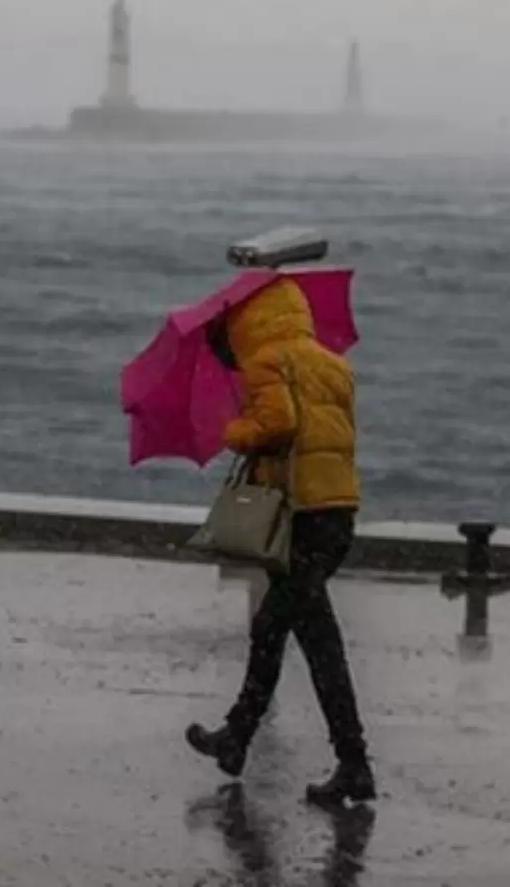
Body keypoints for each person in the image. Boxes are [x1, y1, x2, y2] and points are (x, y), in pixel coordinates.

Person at [187, 276, 375, 804]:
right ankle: (240, 738)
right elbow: (329, 434)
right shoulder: (332, 364)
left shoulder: (267, 362)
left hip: (299, 518)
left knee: (302, 638)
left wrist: (235, 432)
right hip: (336, 511)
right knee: (286, 632)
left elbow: (280, 423)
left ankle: (350, 761)